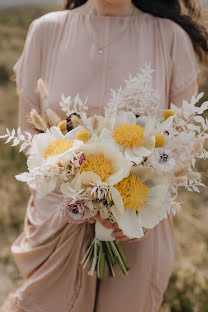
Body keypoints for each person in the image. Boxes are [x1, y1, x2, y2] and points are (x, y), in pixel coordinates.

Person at [1, 0, 208, 311]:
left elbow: (180, 142)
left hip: (136, 224)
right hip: (58, 217)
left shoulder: (171, 37)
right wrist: (79, 190)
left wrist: (130, 211)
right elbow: (30, 134)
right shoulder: (46, 30)